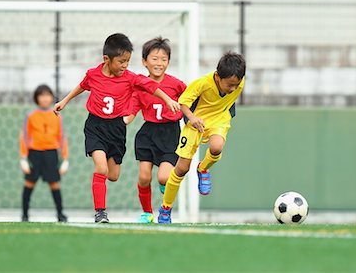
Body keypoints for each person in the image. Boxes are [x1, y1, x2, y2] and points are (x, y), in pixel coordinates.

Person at [53, 33, 180, 223]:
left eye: (127, 61)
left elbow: (152, 87)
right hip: (95, 126)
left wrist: (168, 99)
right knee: (101, 168)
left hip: (116, 129)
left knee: (113, 175)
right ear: (107, 59)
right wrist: (64, 101)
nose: (125, 66)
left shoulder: (130, 78)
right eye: (121, 61)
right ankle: (100, 213)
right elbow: (82, 86)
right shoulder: (93, 74)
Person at [157, 51, 246, 224]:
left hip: (219, 120)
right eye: (230, 85)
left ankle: (203, 169)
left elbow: (230, 97)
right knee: (181, 169)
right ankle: (165, 209)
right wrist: (192, 118)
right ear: (218, 77)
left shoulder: (239, 82)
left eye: (236, 85)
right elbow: (183, 103)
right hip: (195, 122)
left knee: (216, 147)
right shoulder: (202, 83)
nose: (234, 89)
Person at [125, 37, 186, 223]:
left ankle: (165, 201)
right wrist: (120, 121)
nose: (159, 63)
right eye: (154, 58)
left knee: (162, 177)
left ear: (168, 62)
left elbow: (189, 102)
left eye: (163, 59)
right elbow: (131, 112)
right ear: (144, 61)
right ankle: (147, 213)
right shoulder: (140, 85)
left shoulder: (176, 84)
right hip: (148, 134)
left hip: (170, 134)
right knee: (144, 177)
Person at [20, 84, 69, 222]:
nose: (45, 98)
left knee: (54, 184)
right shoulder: (30, 115)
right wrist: (23, 158)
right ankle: (24, 214)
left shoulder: (57, 116)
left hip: (51, 154)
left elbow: (62, 137)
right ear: (36, 98)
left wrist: (65, 159)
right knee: (29, 183)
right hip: (34, 153)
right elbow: (24, 136)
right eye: (41, 95)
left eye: (48, 95)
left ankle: (60, 214)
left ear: (52, 97)